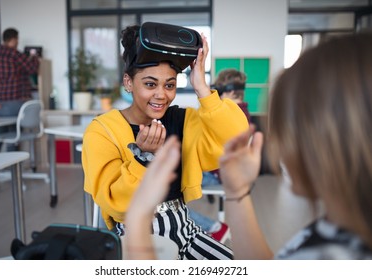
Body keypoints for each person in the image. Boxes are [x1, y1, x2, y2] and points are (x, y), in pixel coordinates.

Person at [125, 32, 372, 260]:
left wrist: (137, 220)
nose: (281, 148)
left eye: (289, 129)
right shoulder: (339, 229)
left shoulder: (336, 255)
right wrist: (237, 192)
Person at [82, 23, 249, 260]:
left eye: (170, 85)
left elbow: (237, 139)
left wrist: (201, 86)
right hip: (135, 239)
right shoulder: (102, 131)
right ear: (128, 82)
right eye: (150, 84)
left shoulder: (182, 121)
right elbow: (116, 205)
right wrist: (143, 159)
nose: (162, 95)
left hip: (186, 231)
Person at [188, 68, 250, 242]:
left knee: (168, 194)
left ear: (229, 92)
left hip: (219, 175)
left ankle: (213, 227)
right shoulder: (242, 113)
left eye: (217, 92)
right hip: (223, 172)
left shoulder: (230, 117)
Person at [0, 27, 40, 149]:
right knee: (14, 135)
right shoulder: (15, 54)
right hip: (16, 103)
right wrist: (34, 56)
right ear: (13, 39)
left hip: (0, 105)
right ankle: (12, 166)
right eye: (17, 39)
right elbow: (32, 68)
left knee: (0, 133)